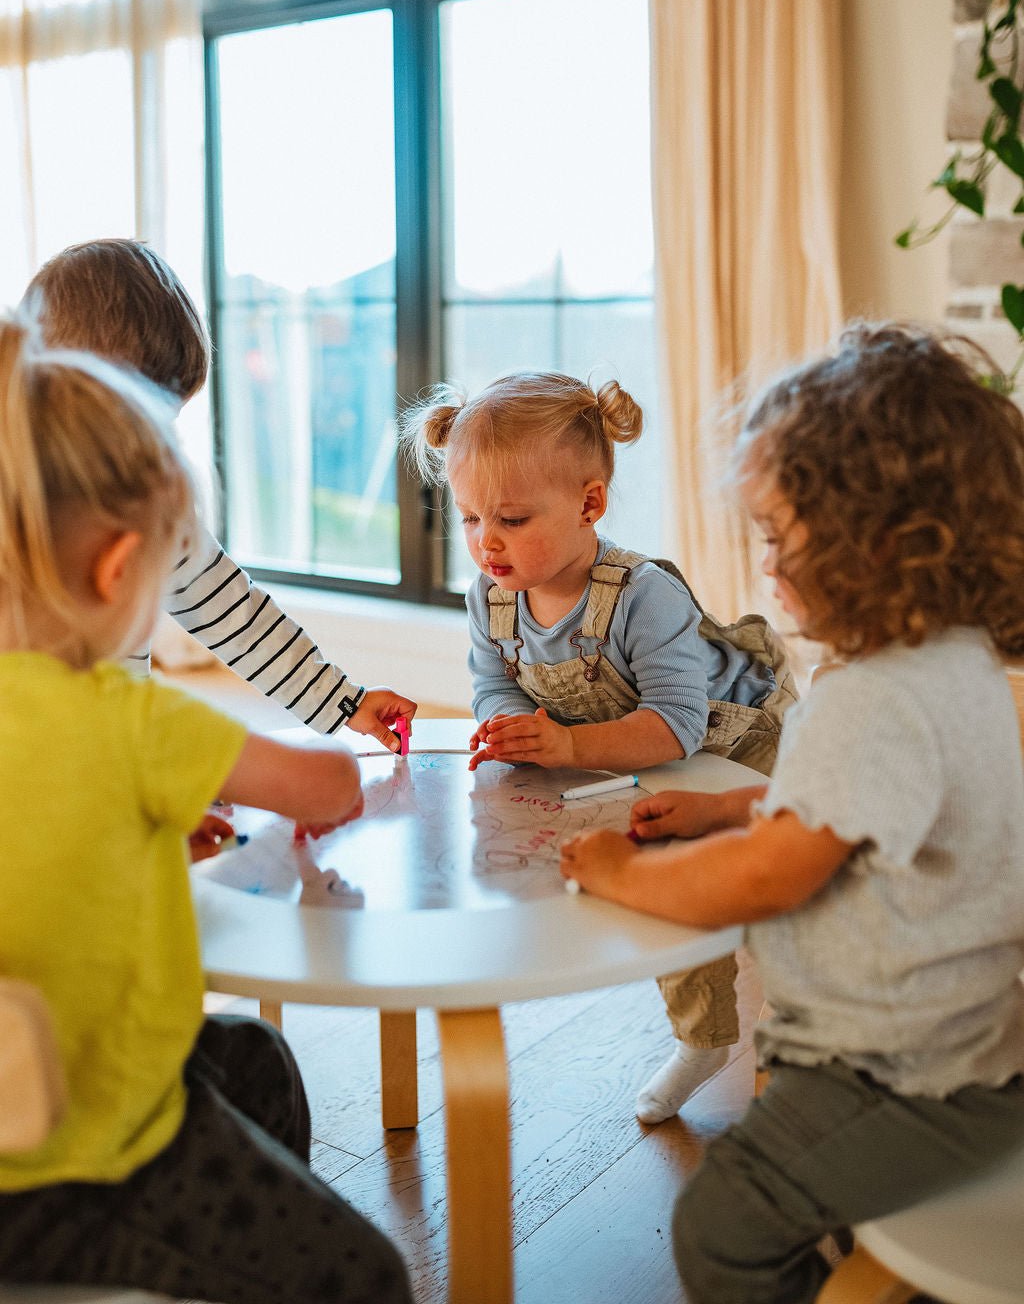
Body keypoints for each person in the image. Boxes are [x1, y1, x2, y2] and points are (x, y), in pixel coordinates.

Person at [559, 322, 1024, 1304]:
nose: (764, 567)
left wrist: (620, 872)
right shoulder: (952, 663)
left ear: (877, 544)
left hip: (901, 1071)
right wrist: (733, 811)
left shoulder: (873, 698)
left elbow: (770, 877)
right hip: (967, 1039)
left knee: (722, 1221)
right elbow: (871, 810)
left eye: (777, 538)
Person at [0, 315, 411, 1304]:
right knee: (369, 1278)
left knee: (252, 1058)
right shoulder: (130, 718)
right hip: (79, 1170)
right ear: (115, 572)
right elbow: (329, 787)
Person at [402, 370, 794, 1121]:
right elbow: (494, 684)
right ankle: (704, 1037)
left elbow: (677, 725)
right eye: (471, 517)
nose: (487, 541)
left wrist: (568, 743)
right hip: (624, 755)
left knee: (757, 890)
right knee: (667, 893)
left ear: (590, 504)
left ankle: (795, 1042)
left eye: (512, 519)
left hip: (742, 748)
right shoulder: (491, 596)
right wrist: (509, 724)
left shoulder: (643, 595)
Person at [23, 239, 416, 761]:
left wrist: (342, 701)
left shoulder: (151, 496)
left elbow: (236, 616)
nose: (150, 444)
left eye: (165, 423)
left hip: (116, 754)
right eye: (134, 420)